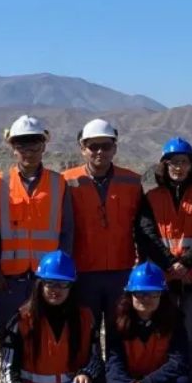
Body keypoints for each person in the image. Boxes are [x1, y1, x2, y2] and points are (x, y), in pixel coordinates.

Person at [0, 116, 73, 346]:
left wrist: (60, 274)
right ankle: (9, 382)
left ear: (44, 146)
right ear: (12, 148)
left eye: (34, 143)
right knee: (8, 336)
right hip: (10, 281)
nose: (28, 150)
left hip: (46, 280)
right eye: (21, 144)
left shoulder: (58, 183)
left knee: (43, 338)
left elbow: (66, 232)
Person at [135, 136, 192, 354]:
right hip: (162, 278)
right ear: (164, 165)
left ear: (191, 166)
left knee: (188, 334)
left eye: (183, 162)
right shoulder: (152, 197)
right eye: (173, 162)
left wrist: (186, 264)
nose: (178, 167)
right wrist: (172, 265)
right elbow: (146, 235)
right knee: (163, 332)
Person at [66, 118, 145, 332]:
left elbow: (142, 227)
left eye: (106, 146)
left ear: (115, 148)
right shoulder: (67, 182)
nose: (100, 152)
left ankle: (115, 367)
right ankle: (89, 367)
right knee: (85, 330)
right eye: (93, 146)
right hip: (82, 271)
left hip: (121, 270)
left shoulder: (132, 182)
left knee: (120, 329)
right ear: (83, 148)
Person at [0, 251, 101, 383]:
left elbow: (95, 358)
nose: (56, 290)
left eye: (63, 284)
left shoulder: (85, 318)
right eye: (50, 283)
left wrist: (86, 374)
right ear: (40, 284)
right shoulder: (21, 319)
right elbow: (7, 369)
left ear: (71, 286)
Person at [104, 262, 192, 383]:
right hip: (129, 382)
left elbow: (179, 362)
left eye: (153, 294)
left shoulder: (174, 319)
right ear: (130, 294)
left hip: (160, 381)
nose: (146, 299)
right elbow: (114, 364)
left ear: (162, 295)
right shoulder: (117, 321)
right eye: (140, 294)